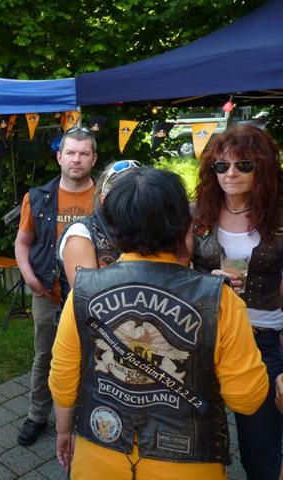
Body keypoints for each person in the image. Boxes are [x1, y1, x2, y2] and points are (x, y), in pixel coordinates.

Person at [50, 167, 268, 480]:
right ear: (184, 226)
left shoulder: (83, 291)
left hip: (99, 455)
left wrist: (63, 431)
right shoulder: (220, 300)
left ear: (113, 229)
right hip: (188, 465)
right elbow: (246, 399)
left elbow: (63, 382)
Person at [189, 125, 283, 480]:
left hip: (262, 338)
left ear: (263, 167)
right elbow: (173, 272)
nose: (230, 173)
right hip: (205, 335)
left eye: (243, 165)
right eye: (221, 166)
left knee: (261, 448)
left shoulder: (279, 216)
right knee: (196, 440)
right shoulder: (197, 213)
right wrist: (205, 282)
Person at [14, 127, 97, 446]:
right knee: (45, 356)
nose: (77, 159)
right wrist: (29, 276)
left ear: (93, 159)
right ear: (59, 156)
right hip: (49, 295)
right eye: (71, 152)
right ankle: (37, 415)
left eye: (84, 153)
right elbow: (23, 242)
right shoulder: (37, 197)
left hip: (94, 297)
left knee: (93, 357)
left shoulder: (106, 197)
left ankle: (88, 416)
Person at [58, 159, 140, 295]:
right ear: (104, 200)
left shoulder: (146, 227)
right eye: (127, 201)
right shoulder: (81, 234)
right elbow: (87, 296)